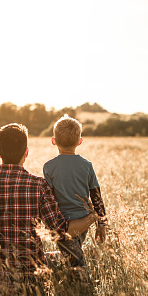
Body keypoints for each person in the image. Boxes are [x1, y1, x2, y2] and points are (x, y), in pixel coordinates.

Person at [0, 123, 99, 296]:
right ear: (26, 152)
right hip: (33, 284)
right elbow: (62, 233)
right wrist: (94, 216)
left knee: (55, 256)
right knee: (65, 257)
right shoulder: (38, 186)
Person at [43, 115, 107, 279]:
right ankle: (77, 283)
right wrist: (102, 223)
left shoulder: (49, 167)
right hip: (83, 220)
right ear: (79, 141)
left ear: (53, 141)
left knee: (73, 257)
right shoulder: (86, 165)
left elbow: (49, 199)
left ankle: (79, 284)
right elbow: (96, 196)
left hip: (62, 221)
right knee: (74, 253)